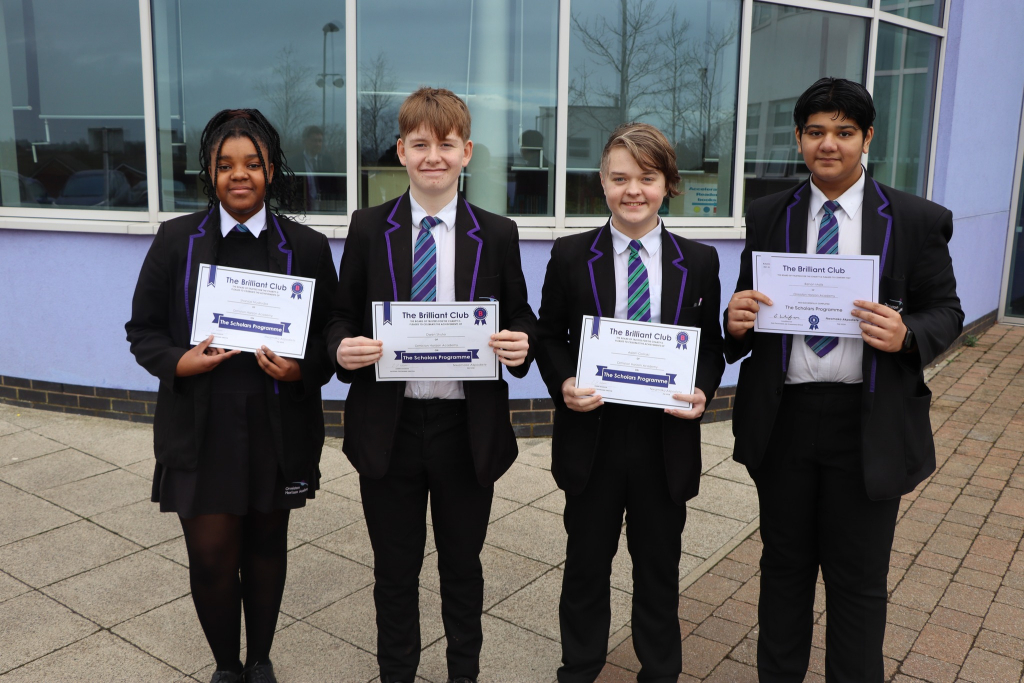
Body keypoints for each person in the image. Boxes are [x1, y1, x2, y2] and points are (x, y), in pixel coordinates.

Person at [724, 78, 963, 682]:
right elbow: (751, 305)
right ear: (799, 138)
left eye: (844, 132)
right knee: (783, 570)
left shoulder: (915, 219)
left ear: (867, 138)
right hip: (785, 419)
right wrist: (737, 318)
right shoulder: (767, 213)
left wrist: (907, 335)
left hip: (869, 421)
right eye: (815, 132)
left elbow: (947, 310)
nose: (828, 144)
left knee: (857, 582)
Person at [325, 87, 537, 683]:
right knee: (394, 571)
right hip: (389, 429)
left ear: (466, 152)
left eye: (446, 144)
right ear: (401, 151)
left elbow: (521, 316)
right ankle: (398, 673)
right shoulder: (369, 227)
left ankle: (461, 673)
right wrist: (342, 347)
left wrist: (521, 344)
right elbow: (341, 314)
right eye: (420, 144)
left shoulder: (497, 232)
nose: (433, 156)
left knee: (462, 567)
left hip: (464, 430)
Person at [126, 109, 339, 683]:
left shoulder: (309, 248)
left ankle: (261, 659)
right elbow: (142, 330)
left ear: (272, 168)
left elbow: (330, 336)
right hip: (202, 426)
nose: (238, 176)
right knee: (214, 558)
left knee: (267, 549)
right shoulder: (177, 240)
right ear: (210, 172)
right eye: (225, 165)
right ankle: (226, 666)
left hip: (277, 424)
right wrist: (180, 361)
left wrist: (301, 371)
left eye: (252, 164)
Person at [535, 122, 725, 683]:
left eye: (646, 177)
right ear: (602, 182)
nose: (632, 190)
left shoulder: (700, 261)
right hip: (592, 436)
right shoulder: (572, 255)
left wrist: (704, 391)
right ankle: (581, 666)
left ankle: (659, 671)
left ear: (668, 183)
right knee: (586, 567)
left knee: (658, 569)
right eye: (620, 178)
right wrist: (563, 383)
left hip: (663, 441)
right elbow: (549, 336)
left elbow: (710, 345)